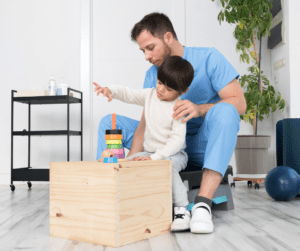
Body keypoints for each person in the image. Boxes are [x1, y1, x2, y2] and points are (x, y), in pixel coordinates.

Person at [95, 12, 246, 234]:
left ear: (167, 37)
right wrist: (127, 167)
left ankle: (202, 204)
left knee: (227, 111)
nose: (146, 56)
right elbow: (145, 124)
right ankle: (111, 190)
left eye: (150, 47)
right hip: (163, 142)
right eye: (142, 50)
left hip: (198, 145)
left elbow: (240, 104)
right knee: (109, 121)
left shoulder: (209, 58)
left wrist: (199, 109)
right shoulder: (152, 74)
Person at [94, 56, 194, 232]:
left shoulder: (179, 108)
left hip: (173, 155)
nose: (161, 89)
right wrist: (111, 91)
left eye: (168, 88)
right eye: (159, 82)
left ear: (182, 91)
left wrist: (156, 158)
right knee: (129, 163)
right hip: (149, 152)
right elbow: (129, 94)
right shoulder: (150, 95)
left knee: (166, 167)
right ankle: (125, 203)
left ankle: (182, 210)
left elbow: (176, 142)